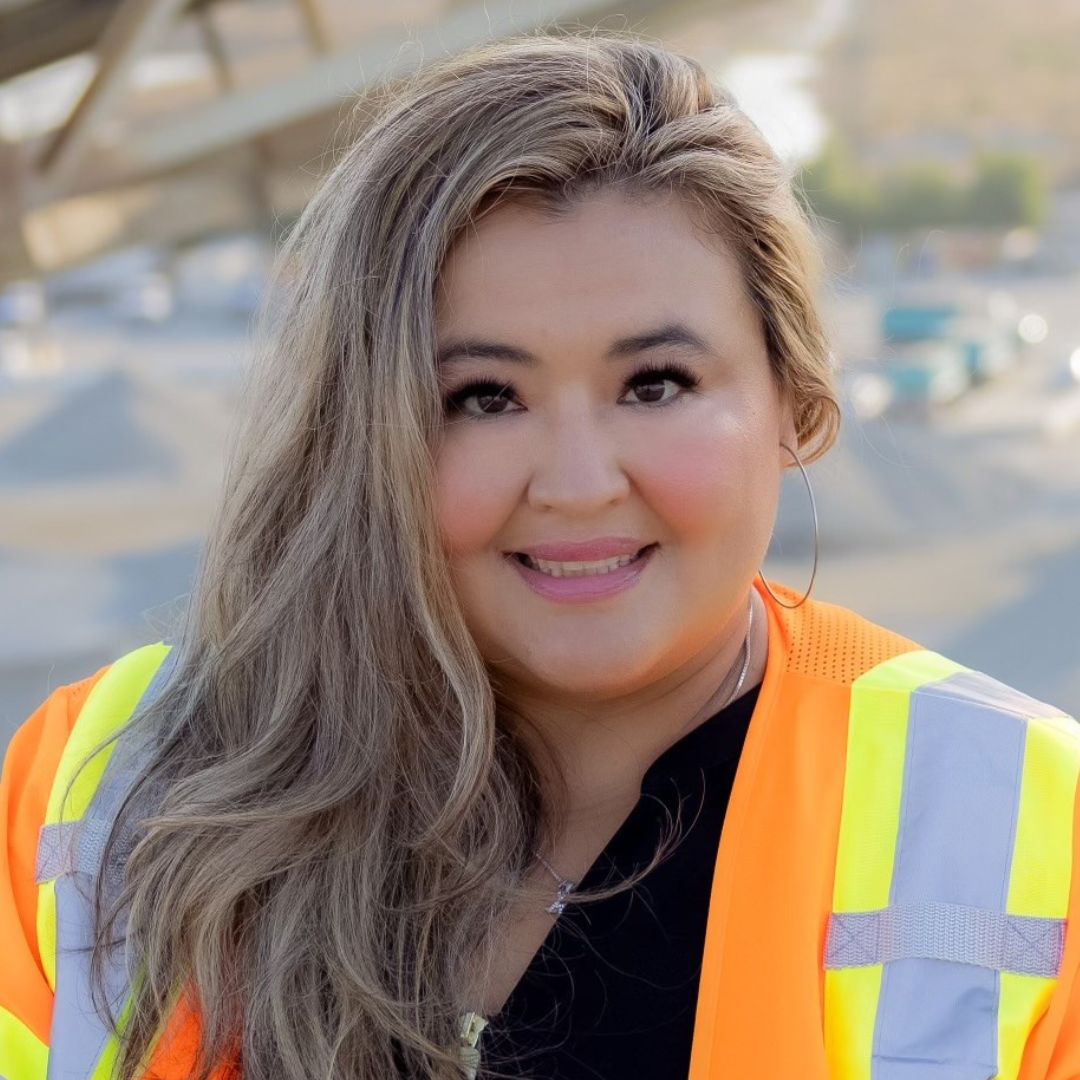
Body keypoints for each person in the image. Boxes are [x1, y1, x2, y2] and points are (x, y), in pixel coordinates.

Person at [2, 28, 1080, 1080]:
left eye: (656, 383)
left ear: (793, 399)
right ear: (365, 432)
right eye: (482, 397)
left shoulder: (1019, 824)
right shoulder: (99, 789)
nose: (575, 482)